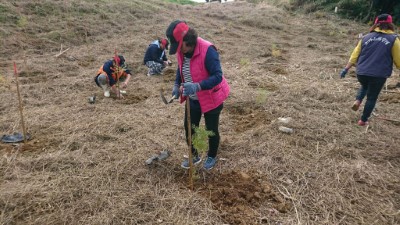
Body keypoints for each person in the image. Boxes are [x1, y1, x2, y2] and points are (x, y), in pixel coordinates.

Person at [166, 20, 230, 170]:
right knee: (189, 128)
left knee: (211, 130)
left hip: (211, 97)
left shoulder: (208, 50)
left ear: (188, 41)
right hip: (193, 98)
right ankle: (194, 155)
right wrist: (176, 84)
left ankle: (212, 155)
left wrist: (197, 86)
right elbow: (180, 69)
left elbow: (218, 76)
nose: (178, 51)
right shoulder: (182, 51)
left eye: (179, 46)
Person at [340, 14, 400, 126]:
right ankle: (363, 120)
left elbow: (354, 55)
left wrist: (346, 68)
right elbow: (398, 59)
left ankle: (358, 100)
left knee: (365, 85)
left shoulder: (366, 37)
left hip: (361, 72)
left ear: (376, 24)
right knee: (372, 97)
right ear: (390, 24)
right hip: (378, 74)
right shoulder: (393, 39)